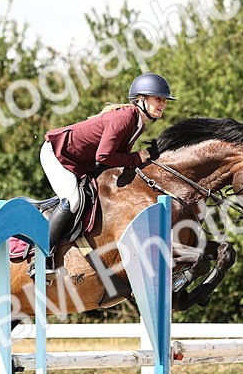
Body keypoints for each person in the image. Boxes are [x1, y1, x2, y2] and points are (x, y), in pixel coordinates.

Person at [35, 72, 175, 280]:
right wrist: (137, 158)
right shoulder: (125, 118)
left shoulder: (138, 123)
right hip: (57, 153)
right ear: (141, 99)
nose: (162, 103)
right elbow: (104, 156)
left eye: (164, 100)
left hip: (79, 161)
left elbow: (114, 157)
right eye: (158, 98)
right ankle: (41, 258)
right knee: (73, 200)